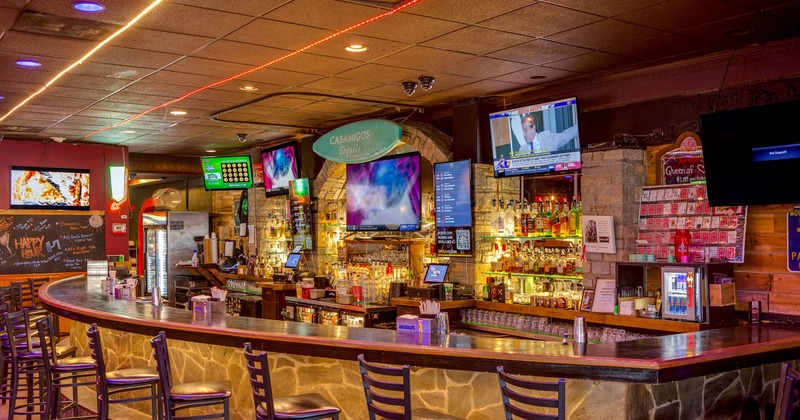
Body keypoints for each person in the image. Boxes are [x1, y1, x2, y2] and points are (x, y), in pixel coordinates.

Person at [511, 112, 579, 155]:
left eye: (526, 130)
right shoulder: (522, 150)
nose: (524, 134)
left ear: (533, 128)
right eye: (523, 131)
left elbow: (565, 136)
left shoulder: (547, 138)